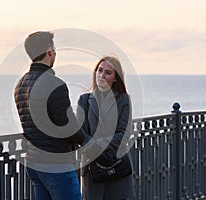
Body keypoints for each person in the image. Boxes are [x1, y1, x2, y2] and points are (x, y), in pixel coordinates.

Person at [14, 31, 91, 200]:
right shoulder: (55, 84)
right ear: (50, 51)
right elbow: (67, 127)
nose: (55, 53)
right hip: (56, 164)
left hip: (34, 162)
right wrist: (86, 140)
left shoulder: (20, 85)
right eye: (54, 49)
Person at [77, 56, 135, 200]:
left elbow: (125, 133)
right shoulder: (84, 100)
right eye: (99, 70)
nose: (101, 75)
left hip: (118, 165)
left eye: (108, 73)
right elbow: (80, 134)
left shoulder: (124, 100)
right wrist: (93, 148)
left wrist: (98, 145)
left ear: (115, 78)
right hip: (93, 168)